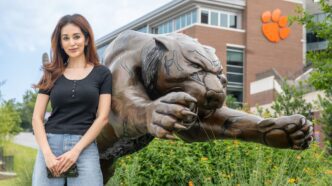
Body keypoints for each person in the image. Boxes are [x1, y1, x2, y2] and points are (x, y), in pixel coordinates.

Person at [31, 14, 112, 186]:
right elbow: (37, 118)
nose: (72, 43)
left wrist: (75, 151)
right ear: (60, 43)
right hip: (50, 146)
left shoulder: (102, 73)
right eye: (65, 38)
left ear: (87, 39)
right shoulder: (51, 73)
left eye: (76, 37)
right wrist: (47, 154)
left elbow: (103, 117)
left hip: (84, 148)